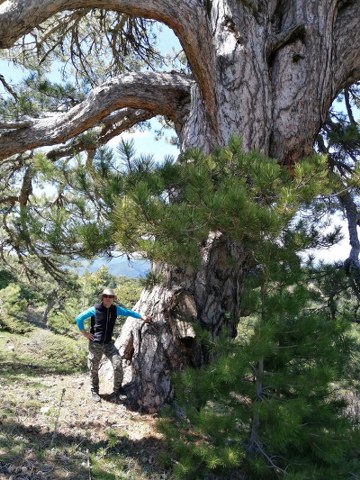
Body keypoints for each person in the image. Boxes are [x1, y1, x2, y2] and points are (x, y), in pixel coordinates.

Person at [75, 287, 151, 402]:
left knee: (118, 363)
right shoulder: (95, 309)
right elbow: (79, 318)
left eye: (111, 297)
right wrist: (84, 333)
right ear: (102, 297)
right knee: (93, 368)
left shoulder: (116, 309)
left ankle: (118, 390)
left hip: (109, 343)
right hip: (95, 344)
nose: (108, 299)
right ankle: (94, 391)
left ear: (113, 299)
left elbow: (129, 312)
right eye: (106, 296)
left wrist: (142, 317)